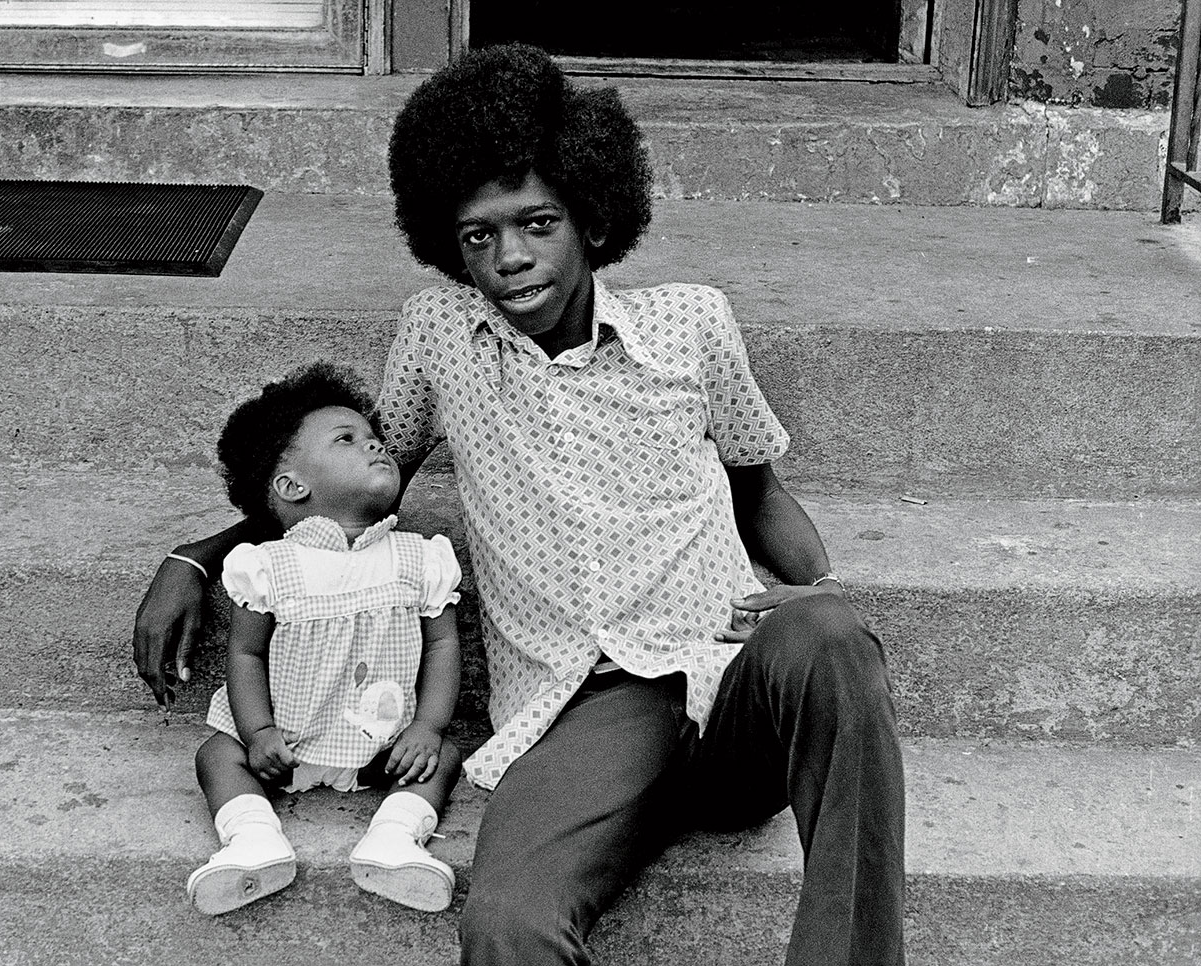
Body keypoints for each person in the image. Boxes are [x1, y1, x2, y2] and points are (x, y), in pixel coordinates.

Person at [135, 43, 905, 966]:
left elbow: (758, 492)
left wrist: (821, 588)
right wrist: (201, 554)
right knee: (509, 925)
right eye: (476, 236)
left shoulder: (691, 325)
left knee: (831, 635)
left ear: (590, 214)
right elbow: (350, 493)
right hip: (582, 711)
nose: (509, 258)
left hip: (727, 675)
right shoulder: (438, 336)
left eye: (536, 222)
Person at [181, 361, 464, 917]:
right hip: (281, 744)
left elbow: (441, 646)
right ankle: (252, 839)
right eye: (347, 439)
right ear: (292, 486)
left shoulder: (420, 557)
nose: (377, 446)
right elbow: (246, 652)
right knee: (217, 753)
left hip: (380, 743)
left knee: (445, 757)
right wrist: (256, 731)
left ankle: (395, 839)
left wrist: (427, 727)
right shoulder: (266, 566)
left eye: (376, 437)